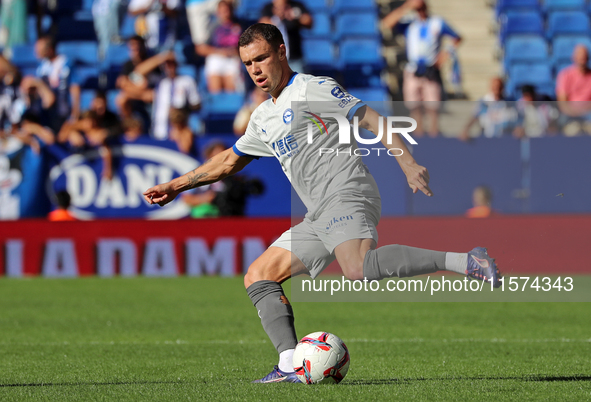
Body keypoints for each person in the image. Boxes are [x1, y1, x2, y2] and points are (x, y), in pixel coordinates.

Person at [143, 23, 501, 383]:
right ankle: (287, 365)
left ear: (281, 52)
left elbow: (370, 118)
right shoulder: (263, 117)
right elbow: (228, 161)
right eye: (248, 63)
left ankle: (468, 261)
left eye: (262, 58)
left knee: (357, 268)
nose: (255, 69)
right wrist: (177, 185)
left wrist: (406, 162)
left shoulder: (313, 89)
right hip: (318, 214)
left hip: (347, 191)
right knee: (259, 275)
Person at [382, 0, 461, 137]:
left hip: (431, 70)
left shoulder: (437, 22)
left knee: (433, 108)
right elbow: (387, 24)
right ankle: (419, 136)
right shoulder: (410, 24)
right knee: (414, 107)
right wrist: (407, 6)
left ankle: (434, 137)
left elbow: (456, 38)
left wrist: (444, 55)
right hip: (413, 69)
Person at [132, 51, 201, 140]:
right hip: (160, 132)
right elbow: (137, 73)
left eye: (172, 64)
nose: (170, 68)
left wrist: (179, 111)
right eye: (167, 65)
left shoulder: (187, 81)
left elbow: (196, 104)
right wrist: (161, 58)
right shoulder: (160, 83)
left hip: (179, 131)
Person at [34, 35, 81, 132]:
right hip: (47, 113)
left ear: (50, 49)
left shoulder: (66, 63)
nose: (37, 52)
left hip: (63, 111)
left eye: (40, 49)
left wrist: (75, 114)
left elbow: (75, 88)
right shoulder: (41, 67)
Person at [195, 0, 243, 93]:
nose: (225, 13)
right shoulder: (212, 27)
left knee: (232, 91)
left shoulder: (239, 26)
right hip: (216, 57)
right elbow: (200, 48)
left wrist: (235, 52)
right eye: (222, 10)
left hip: (234, 58)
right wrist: (220, 52)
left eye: (227, 10)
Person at [259, 0, 312, 74]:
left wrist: (294, 16)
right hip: (275, 58)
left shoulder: (295, 6)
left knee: (299, 82)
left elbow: (309, 22)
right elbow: (262, 26)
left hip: (294, 57)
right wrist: (276, 18)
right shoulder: (268, 8)